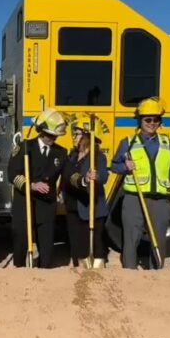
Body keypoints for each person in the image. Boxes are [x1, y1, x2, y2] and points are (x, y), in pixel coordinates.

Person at [111, 98, 170, 269]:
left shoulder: (167, 143)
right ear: (140, 121)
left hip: (160, 200)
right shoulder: (128, 142)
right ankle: (129, 271)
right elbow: (114, 166)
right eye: (147, 120)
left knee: (159, 240)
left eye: (155, 120)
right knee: (131, 237)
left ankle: (156, 272)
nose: (152, 123)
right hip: (134, 198)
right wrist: (125, 166)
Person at [8, 108, 69, 268]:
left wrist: (64, 190)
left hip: (46, 206)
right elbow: (12, 175)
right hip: (25, 204)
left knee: (47, 247)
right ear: (41, 131)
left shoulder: (61, 153)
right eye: (49, 135)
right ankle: (19, 273)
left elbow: (66, 177)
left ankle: (45, 276)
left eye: (55, 136)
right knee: (21, 242)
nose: (52, 138)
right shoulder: (24, 147)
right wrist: (32, 185)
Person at [63, 113, 109, 268]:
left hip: (92, 207)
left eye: (77, 133)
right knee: (77, 244)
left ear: (87, 136)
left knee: (95, 243)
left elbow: (103, 176)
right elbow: (67, 175)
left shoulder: (98, 156)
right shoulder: (72, 155)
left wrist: (94, 177)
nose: (73, 136)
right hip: (73, 206)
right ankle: (80, 271)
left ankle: (97, 270)